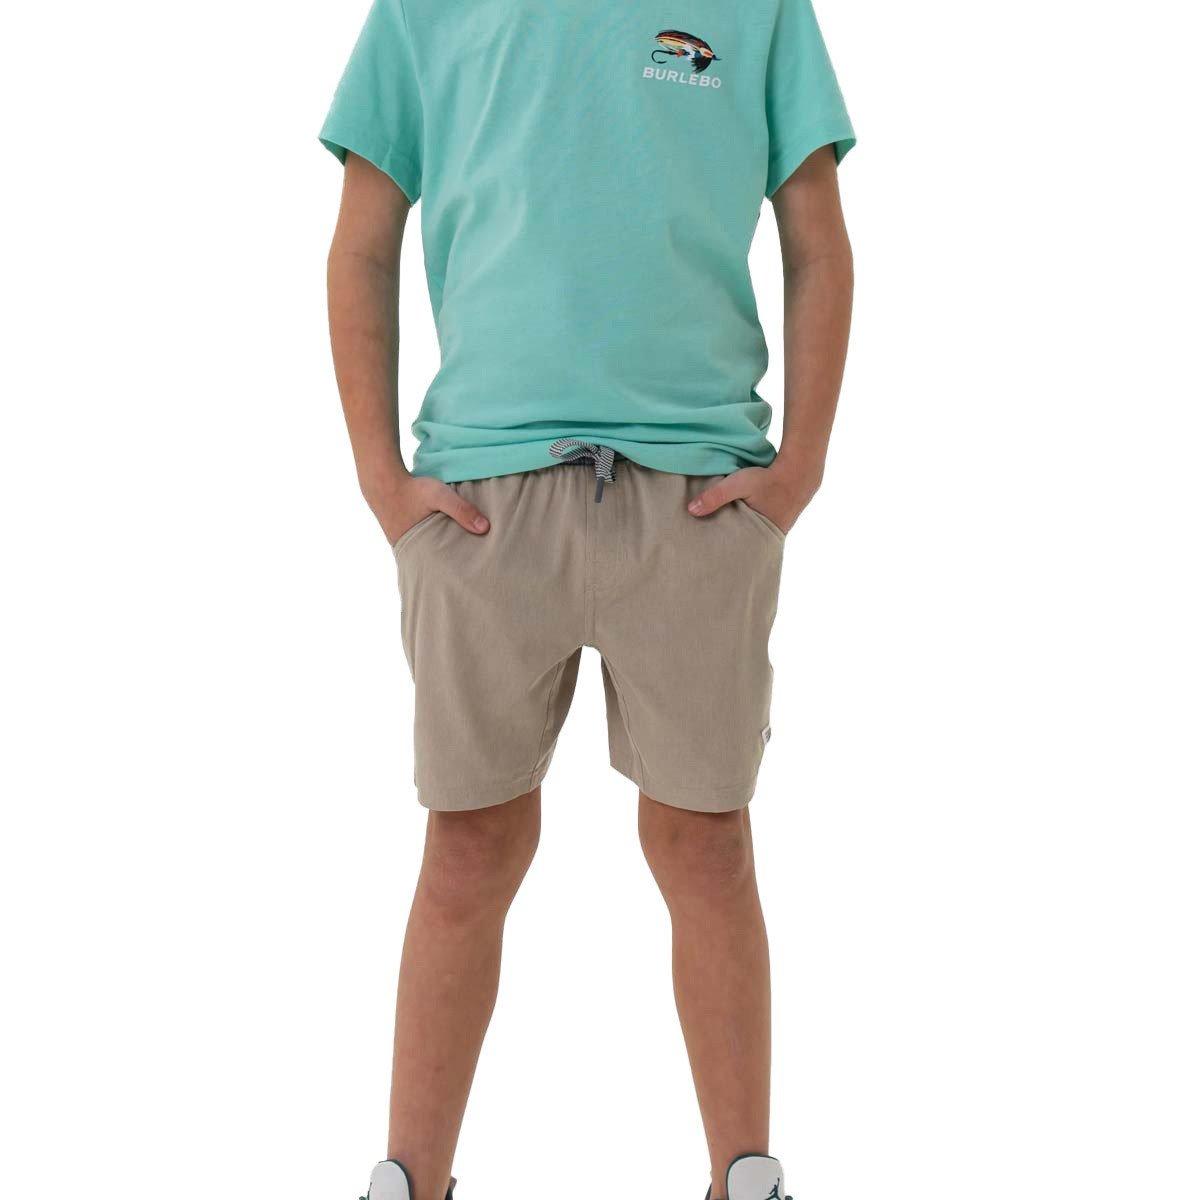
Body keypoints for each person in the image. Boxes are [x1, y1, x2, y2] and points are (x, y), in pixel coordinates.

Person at [322, 1, 854, 1197]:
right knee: (467, 846)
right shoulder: (423, 10)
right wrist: (380, 478)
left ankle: (745, 1176)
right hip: (482, 508)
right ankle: (411, 1179)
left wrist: (800, 468)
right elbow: (362, 240)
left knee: (706, 844)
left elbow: (817, 237)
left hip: (698, 503)